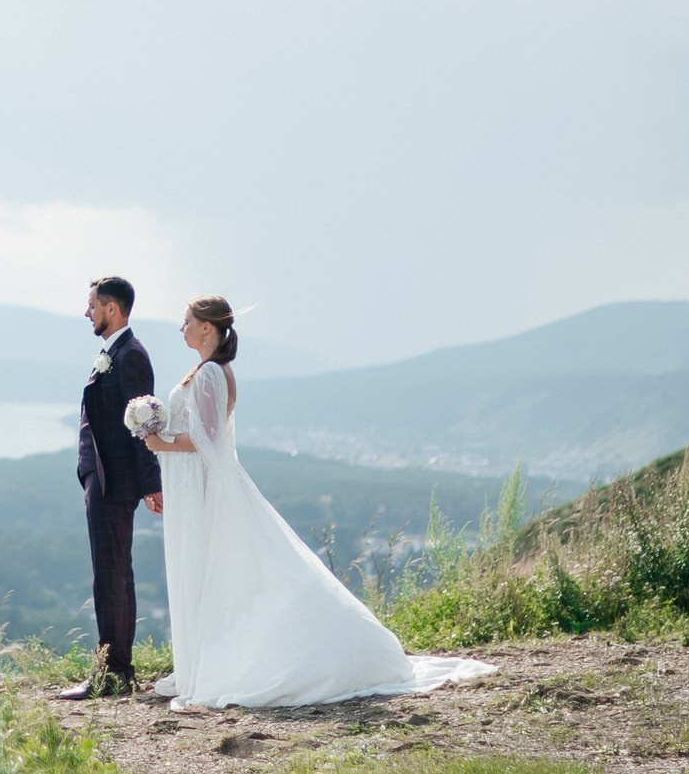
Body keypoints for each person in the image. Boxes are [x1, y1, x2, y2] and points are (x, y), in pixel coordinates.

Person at [144, 295, 493, 709]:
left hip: (204, 486)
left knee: (228, 571)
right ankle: (203, 660)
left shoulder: (209, 375)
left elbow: (208, 440)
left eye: (186, 321)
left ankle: (250, 660)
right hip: (201, 486)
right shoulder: (212, 372)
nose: (180, 327)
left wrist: (156, 440)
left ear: (207, 327)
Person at [66, 275, 158, 699]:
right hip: (102, 479)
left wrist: (150, 484)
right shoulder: (113, 352)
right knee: (116, 574)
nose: (87, 312)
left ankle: (113, 673)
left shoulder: (130, 356)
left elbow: (144, 426)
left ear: (112, 309)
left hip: (113, 482)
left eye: (92, 305)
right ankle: (118, 670)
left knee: (111, 576)